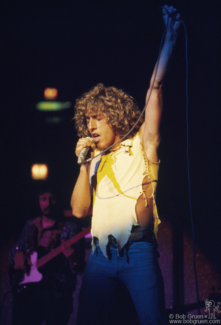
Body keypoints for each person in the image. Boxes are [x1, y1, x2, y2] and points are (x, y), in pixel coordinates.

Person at [71, 5, 181, 325]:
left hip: (139, 254)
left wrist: (169, 40)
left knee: (152, 320)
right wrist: (82, 165)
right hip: (100, 259)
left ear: (115, 115)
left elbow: (155, 88)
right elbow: (78, 211)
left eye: (97, 117)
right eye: (87, 119)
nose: (90, 125)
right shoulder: (95, 160)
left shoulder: (141, 144)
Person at [8, 185, 85, 325]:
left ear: (58, 200)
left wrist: (73, 258)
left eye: (52, 199)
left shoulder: (71, 228)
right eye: (43, 199)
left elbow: (79, 268)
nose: (47, 203)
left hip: (58, 294)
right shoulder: (30, 225)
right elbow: (13, 252)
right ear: (38, 201)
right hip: (29, 293)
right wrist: (17, 253)